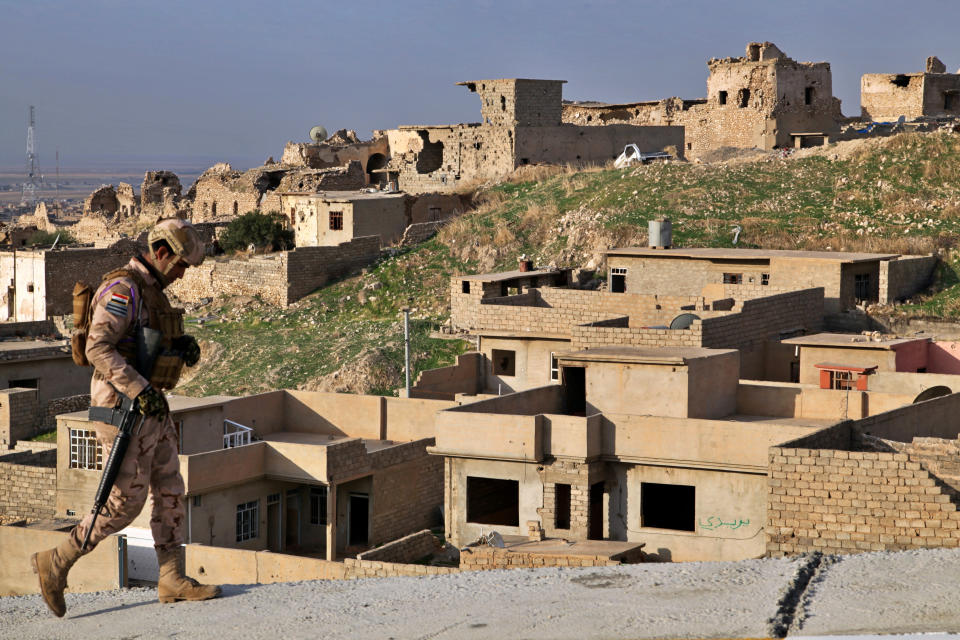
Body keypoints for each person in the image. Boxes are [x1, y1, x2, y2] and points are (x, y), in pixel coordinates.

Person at [31, 218, 221, 617]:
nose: (183, 274)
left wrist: (178, 346)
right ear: (162, 252)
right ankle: (57, 560)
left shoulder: (153, 292)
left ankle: (171, 577)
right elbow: (99, 348)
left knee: (170, 488)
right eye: (181, 264)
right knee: (123, 504)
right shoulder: (123, 290)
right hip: (123, 409)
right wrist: (140, 391)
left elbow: (145, 344)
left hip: (150, 406)